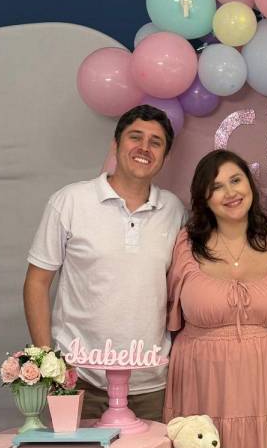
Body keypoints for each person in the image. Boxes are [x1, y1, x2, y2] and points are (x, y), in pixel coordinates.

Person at [23, 104, 185, 421]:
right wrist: (49, 364)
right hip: (78, 380)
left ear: (165, 157)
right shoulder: (69, 202)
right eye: (135, 137)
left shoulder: (174, 210)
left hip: (151, 383)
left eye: (155, 142)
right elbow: (36, 282)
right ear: (115, 144)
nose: (144, 148)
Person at [163, 149, 267, 448]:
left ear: (250, 185)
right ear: (204, 198)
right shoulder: (185, 246)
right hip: (204, 383)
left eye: (235, 180)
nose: (230, 192)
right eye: (216, 187)